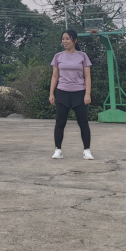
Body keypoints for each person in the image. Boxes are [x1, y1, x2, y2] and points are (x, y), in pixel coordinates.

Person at [49, 29, 94, 160]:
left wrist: (87, 94)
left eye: (67, 39)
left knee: (83, 122)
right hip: (62, 92)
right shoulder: (58, 56)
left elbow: (87, 76)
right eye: (63, 39)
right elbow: (55, 76)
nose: (65, 41)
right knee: (60, 122)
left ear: (75, 40)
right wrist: (51, 93)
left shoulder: (82, 56)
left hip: (79, 92)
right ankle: (58, 150)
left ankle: (87, 151)